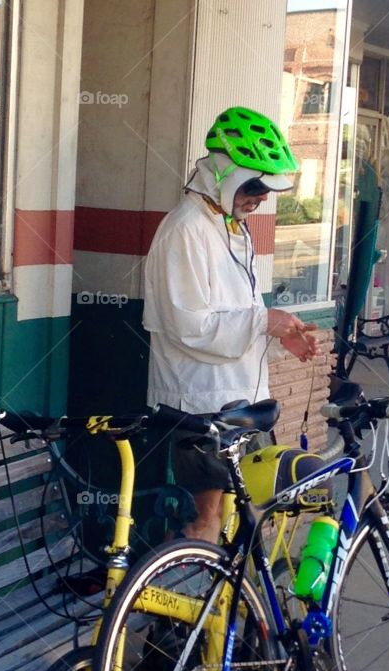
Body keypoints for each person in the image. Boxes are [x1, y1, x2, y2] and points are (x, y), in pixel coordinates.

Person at [143, 106, 320, 543]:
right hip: (203, 408)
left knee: (245, 525)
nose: (260, 197)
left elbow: (237, 313)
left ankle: (230, 607)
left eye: (266, 189)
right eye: (255, 184)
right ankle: (171, 600)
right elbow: (188, 325)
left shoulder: (230, 227)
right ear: (224, 172)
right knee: (206, 528)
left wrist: (278, 339)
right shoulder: (185, 229)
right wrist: (266, 320)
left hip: (241, 404)